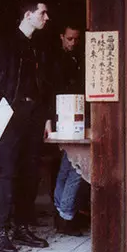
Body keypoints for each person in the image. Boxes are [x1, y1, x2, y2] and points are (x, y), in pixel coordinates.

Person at [0, 0, 52, 252]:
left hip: (33, 117)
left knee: (30, 174)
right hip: (9, 117)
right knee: (7, 174)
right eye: (42, 13)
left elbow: (44, 86)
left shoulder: (38, 46)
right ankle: (0, 234)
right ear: (28, 15)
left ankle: (21, 228)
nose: (46, 18)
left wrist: (46, 118)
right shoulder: (4, 44)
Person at [52, 26, 88, 236]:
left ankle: (61, 213)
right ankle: (65, 215)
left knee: (67, 167)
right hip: (66, 116)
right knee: (76, 169)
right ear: (61, 37)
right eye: (69, 39)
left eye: (76, 39)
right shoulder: (56, 60)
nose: (73, 43)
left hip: (73, 116)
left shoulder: (76, 57)